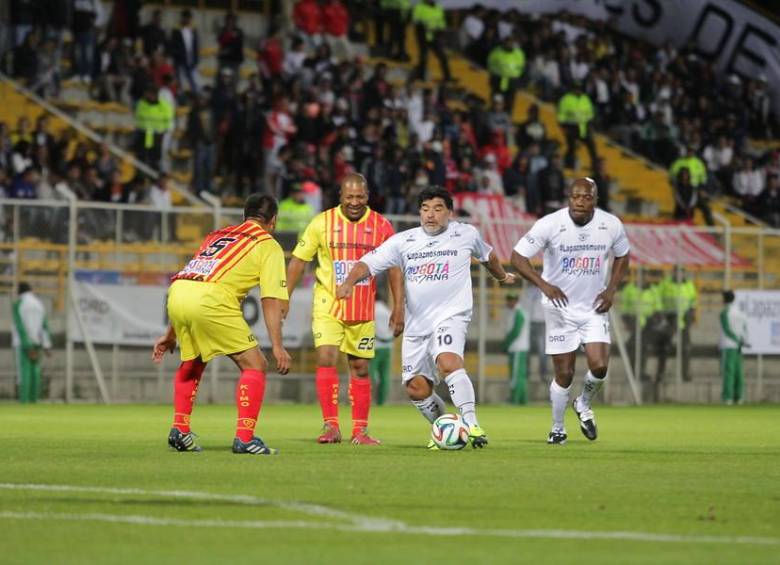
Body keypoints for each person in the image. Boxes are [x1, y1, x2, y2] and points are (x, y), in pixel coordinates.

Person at [336, 186, 517, 448]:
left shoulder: (465, 233)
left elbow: (487, 255)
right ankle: (448, 428)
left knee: (448, 361)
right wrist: (349, 282)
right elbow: (368, 262)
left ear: (450, 213)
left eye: (437, 208)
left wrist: (501, 276)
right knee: (416, 388)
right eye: (425, 209)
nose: (430, 215)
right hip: (417, 323)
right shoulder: (404, 240)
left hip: (452, 315)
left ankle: (472, 424)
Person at [152, 194, 291, 455]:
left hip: (178, 291)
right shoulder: (268, 244)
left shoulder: (217, 234)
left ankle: (180, 430)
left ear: (244, 216)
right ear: (273, 221)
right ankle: (245, 438)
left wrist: (170, 333)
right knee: (255, 364)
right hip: (212, 298)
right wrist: (277, 346)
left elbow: (197, 275)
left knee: (194, 360)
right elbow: (270, 299)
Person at [286, 173, 404, 445]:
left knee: (360, 367)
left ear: (367, 196)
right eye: (349, 197)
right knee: (326, 357)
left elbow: (395, 268)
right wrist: (285, 297)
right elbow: (298, 260)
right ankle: (331, 426)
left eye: (360, 197)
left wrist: (399, 306)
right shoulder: (321, 222)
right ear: (340, 196)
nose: (354, 202)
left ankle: (359, 431)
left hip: (363, 307)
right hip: (328, 302)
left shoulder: (381, 226)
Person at [511, 177, 630, 444]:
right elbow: (517, 257)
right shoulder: (550, 224)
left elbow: (623, 255)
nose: (579, 201)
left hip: (593, 308)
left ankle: (584, 404)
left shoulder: (610, 224)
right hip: (559, 309)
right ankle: (557, 428)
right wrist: (544, 285)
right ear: (568, 198)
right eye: (575, 196)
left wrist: (611, 290)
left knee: (599, 367)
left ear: (595, 200)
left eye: (586, 197)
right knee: (564, 374)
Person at [11, 282, 52, 403]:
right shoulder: (39, 303)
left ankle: (24, 401)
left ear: (19, 291)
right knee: (35, 372)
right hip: (38, 342)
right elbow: (44, 326)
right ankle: (34, 400)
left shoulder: (19, 304)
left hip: (24, 344)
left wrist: (27, 345)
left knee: (24, 373)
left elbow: (20, 326)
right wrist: (47, 345)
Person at [557, 82, 598, 170]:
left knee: (592, 146)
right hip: (571, 126)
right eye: (577, 89)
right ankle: (569, 165)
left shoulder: (585, 99)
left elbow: (590, 114)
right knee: (571, 147)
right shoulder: (566, 99)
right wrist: (564, 127)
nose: (578, 91)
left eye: (580, 89)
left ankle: (595, 166)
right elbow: (561, 116)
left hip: (584, 127)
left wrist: (590, 126)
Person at [719, 290, 749, 405]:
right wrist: (742, 341)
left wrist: (736, 340)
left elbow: (726, 330)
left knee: (728, 372)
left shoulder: (725, 313)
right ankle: (740, 396)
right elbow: (745, 329)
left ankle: (728, 397)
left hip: (729, 345)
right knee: (739, 372)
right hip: (739, 346)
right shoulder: (740, 312)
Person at [411, 0, 451, 82]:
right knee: (424, 57)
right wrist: (425, 30)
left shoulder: (438, 7)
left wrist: (439, 31)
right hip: (423, 36)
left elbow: (442, 22)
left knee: (443, 57)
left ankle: (447, 77)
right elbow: (416, 22)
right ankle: (420, 76)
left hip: (435, 37)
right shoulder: (419, 7)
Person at [503, 291, 529, 405]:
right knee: (520, 375)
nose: (509, 302)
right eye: (508, 300)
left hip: (516, 348)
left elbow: (515, 332)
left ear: (516, 301)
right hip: (520, 348)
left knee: (515, 376)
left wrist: (505, 345)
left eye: (511, 300)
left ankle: (515, 399)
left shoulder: (518, 313)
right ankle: (523, 400)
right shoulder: (517, 312)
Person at [369, 298, 394, 405]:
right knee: (384, 375)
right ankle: (381, 401)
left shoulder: (372, 309)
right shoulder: (386, 310)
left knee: (370, 374)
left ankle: (367, 399)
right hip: (388, 346)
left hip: (375, 346)